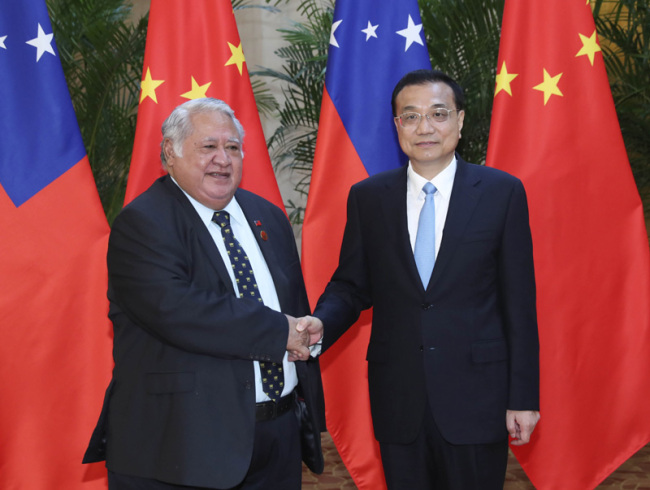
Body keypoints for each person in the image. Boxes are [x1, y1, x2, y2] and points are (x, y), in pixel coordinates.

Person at [298, 69, 540, 489]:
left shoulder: (501, 193)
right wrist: (322, 321)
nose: (424, 127)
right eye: (410, 116)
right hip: (399, 396)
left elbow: (518, 303)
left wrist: (523, 399)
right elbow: (351, 285)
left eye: (438, 114)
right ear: (397, 126)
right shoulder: (369, 197)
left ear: (460, 121)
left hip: (477, 396)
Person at [83, 98, 325, 490]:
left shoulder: (268, 217)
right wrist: (282, 331)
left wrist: (306, 329)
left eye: (232, 147)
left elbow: (291, 305)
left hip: (277, 440)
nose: (223, 159)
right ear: (169, 153)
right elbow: (180, 310)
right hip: (184, 446)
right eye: (208, 146)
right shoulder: (143, 223)